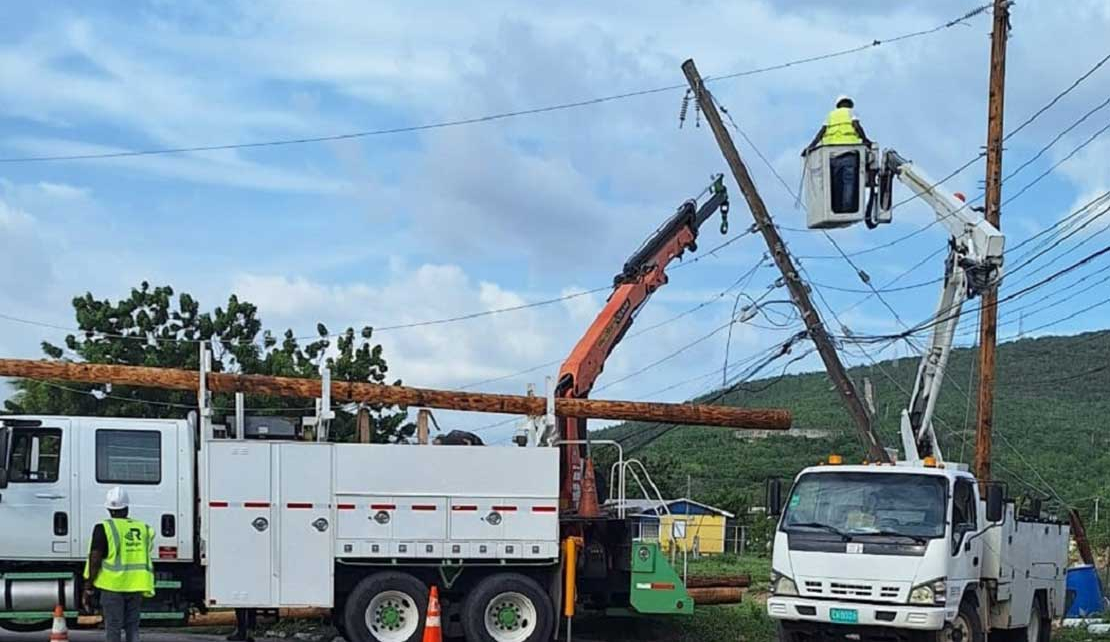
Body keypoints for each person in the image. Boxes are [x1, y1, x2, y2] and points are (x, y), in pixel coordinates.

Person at [84, 487, 155, 642]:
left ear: (108, 509)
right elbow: (146, 549)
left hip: (112, 586)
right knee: (132, 627)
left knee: (113, 626)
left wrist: (89, 586)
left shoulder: (103, 528)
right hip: (136, 585)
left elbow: (95, 559)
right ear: (127, 507)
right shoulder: (143, 528)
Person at [803, 95, 874, 214]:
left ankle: (836, 207)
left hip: (832, 155)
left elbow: (821, 133)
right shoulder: (851, 112)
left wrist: (810, 147)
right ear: (849, 104)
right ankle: (847, 208)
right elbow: (856, 126)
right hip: (849, 152)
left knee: (835, 182)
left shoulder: (830, 116)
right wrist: (866, 140)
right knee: (848, 181)